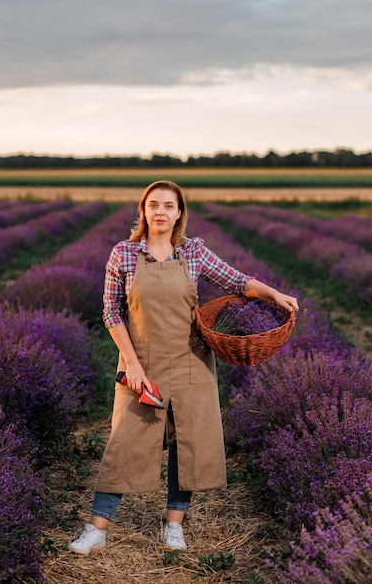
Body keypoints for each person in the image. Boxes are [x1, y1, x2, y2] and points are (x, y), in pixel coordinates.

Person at [68, 180, 299, 555]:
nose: (160, 211)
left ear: (179, 213)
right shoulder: (123, 254)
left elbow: (238, 281)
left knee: (187, 443)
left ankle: (174, 524)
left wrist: (274, 294)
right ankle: (97, 528)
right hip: (141, 362)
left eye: (168, 206)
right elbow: (111, 313)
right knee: (123, 442)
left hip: (191, 362)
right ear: (143, 210)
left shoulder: (194, 253)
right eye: (153, 204)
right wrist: (132, 364)